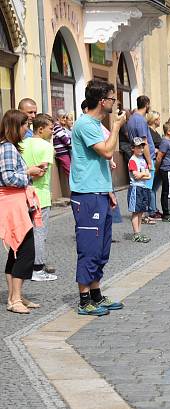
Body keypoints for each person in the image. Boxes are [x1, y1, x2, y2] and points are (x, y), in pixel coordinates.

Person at [70, 79, 127, 316]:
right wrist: (115, 128)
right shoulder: (85, 124)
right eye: (113, 99)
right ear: (102, 101)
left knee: (102, 249)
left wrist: (109, 191)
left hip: (99, 193)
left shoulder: (94, 123)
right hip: (86, 195)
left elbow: (103, 163)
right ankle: (84, 300)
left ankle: (96, 294)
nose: (115, 103)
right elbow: (105, 152)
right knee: (89, 247)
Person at [0, 109, 45, 313]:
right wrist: (29, 173)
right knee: (26, 252)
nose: (28, 129)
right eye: (25, 125)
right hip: (13, 204)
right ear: (15, 127)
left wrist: (30, 170)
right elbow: (9, 178)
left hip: (15, 203)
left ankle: (14, 296)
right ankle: (15, 299)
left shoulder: (9, 147)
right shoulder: (8, 148)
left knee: (16, 251)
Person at [20, 113, 57, 282]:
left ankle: (23, 266)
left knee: (25, 233)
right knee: (39, 233)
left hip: (22, 193)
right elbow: (42, 172)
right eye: (51, 128)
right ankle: (37, 269)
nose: (53, 132)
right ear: (40, 129)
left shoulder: (22, 143)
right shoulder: (46, 146)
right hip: (40, 195)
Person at [127, 138, 152, 243]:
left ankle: (139, 232)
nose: (141, 149)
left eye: (142, 147)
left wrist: (143, 174)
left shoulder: (143, 160)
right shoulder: (133, 160)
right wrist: (143, 174)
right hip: (135, 188)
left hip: (143, 187)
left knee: (141, 211)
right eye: (138, 147)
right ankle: (136, 233)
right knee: (135, 212)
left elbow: (149, 175)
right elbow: (136, 176)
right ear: (133, 148)